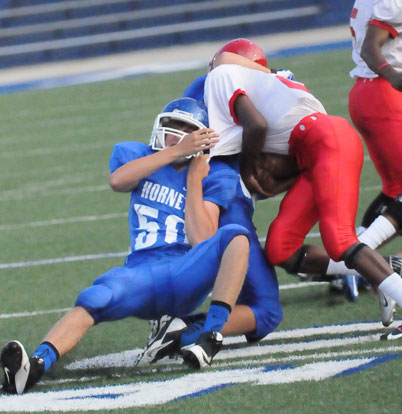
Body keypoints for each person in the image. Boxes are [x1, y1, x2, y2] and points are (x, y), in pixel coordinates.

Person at [0, 97, 251, 394]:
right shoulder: (136, 155)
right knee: (94, 298)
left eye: (187, 129)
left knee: (236, 234)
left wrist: (195, 179)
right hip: (140, 273)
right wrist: (175, 153)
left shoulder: (215, 175)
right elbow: (118, 180)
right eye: (173, 126)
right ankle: (35, 366)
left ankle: (210, 337)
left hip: (185, 271)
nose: (177, 134)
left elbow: (202, 240)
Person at [202, 38, 402, 329]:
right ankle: (379, 272)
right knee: (280, 247)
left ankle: (384, 279)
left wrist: (249, 173)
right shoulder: (268, 86)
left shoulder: (222, 74)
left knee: (339, 239)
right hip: (312, 152)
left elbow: (255, 126)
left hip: (325, 141)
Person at [348, 0, 402, 337]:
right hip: (383, 93)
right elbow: (372, 47)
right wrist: (392, 73)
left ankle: (368, 264)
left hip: (370, 94)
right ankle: (358, 257)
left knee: (396, 192)